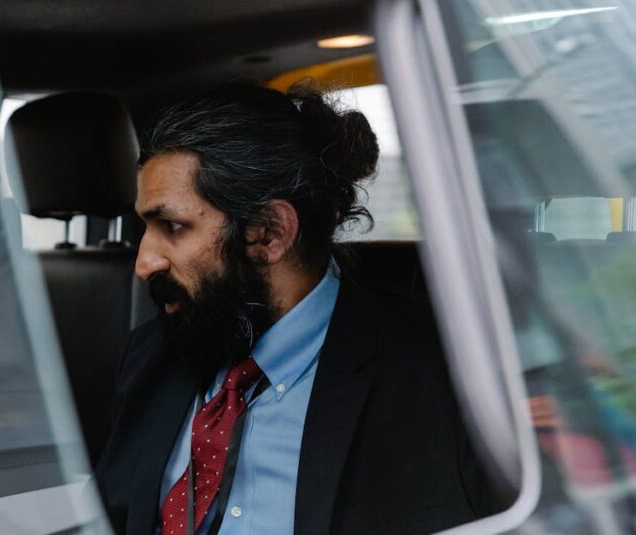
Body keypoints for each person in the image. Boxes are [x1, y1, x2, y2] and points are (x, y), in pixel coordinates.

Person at [93, 84, 504, 534]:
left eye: (172, 226)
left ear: (268, 234)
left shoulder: (443, 373)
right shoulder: (153, 355)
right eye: (145, 227)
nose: (144, 263)